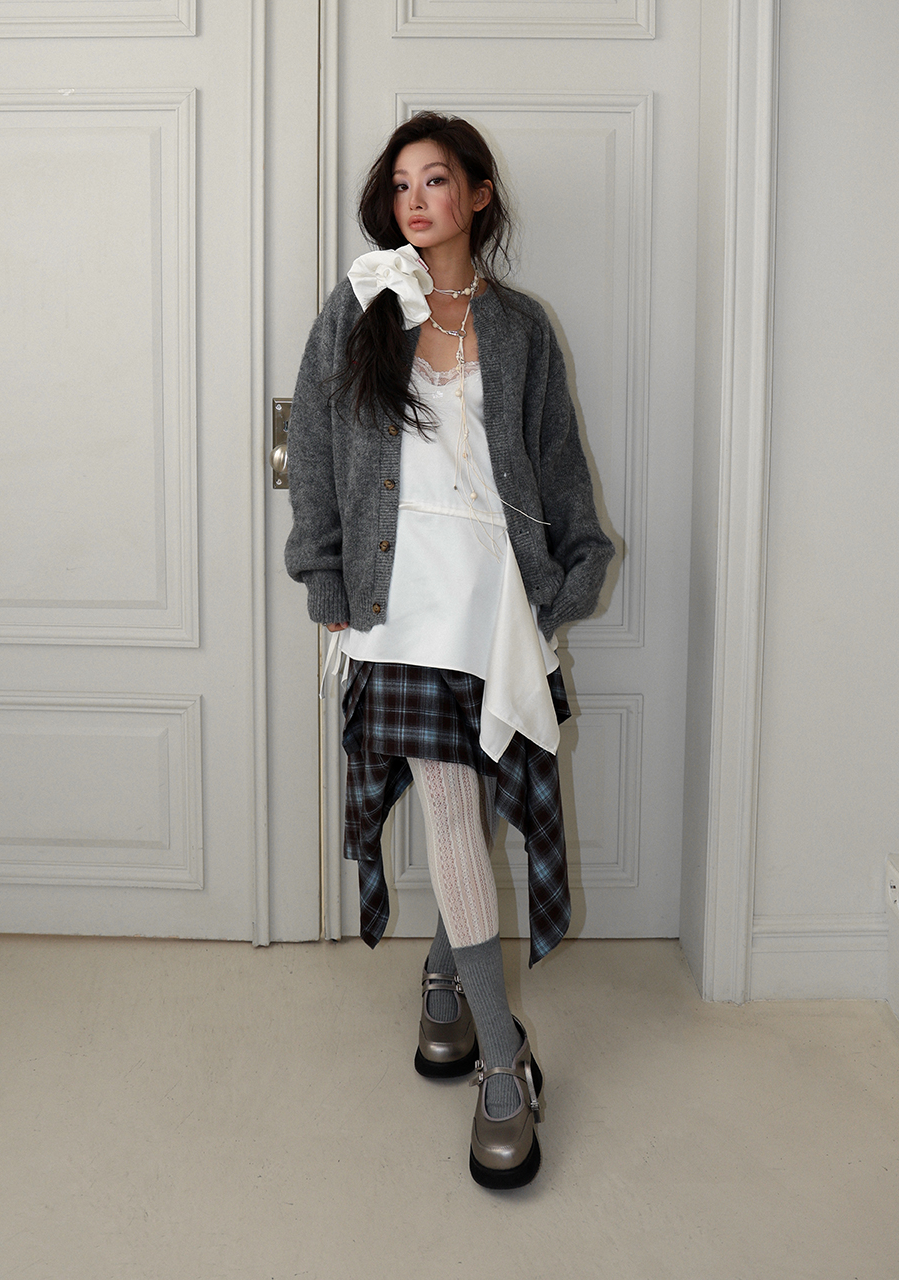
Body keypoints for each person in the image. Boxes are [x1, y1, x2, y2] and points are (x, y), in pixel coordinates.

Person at [284, 112, 614, 1189]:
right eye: (400, 185)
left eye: (436, 180)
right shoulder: (362, 304)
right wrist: (323, 573)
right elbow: (316, 448)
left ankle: (444, 984)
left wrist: (574, 566)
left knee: (487, 787)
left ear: (477, 195)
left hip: (493, 596)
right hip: (400, 598)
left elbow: (554, 456)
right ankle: (505, 1064)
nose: (415, 200)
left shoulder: (520, 327)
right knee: (446, 802)